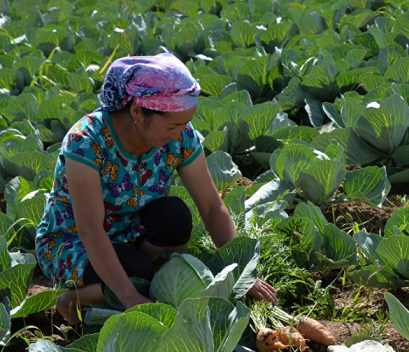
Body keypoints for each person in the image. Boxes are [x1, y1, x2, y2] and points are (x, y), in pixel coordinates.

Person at [35, 53, 278, 325]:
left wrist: (241, 271)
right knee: (136, 274)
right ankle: (74, 299)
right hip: (73, 242)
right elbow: (89, 229)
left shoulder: (180, 137)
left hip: (130, 233)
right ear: (138, 112)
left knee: (175, 215)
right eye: (173, 125)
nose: (180, 133)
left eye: (185, 124)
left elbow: (211, 206)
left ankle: (135, 274)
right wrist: (129, 297)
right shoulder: (86, 141)